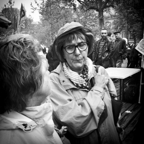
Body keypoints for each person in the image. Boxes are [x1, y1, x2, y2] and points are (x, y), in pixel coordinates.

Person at [49, 22, 121, 144]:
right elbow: (77, 124)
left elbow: (113, 106)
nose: (77, 52)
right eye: (70, 47)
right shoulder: (54, 81)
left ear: (87, 46)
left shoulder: (100, 71)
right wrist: (97, 88)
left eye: (81, 45)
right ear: (62, 52)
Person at [0, 34, 63, 144]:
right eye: (46, 70)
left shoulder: (35, 116)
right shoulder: (12, 139)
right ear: (28, 81)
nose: (49, 73)